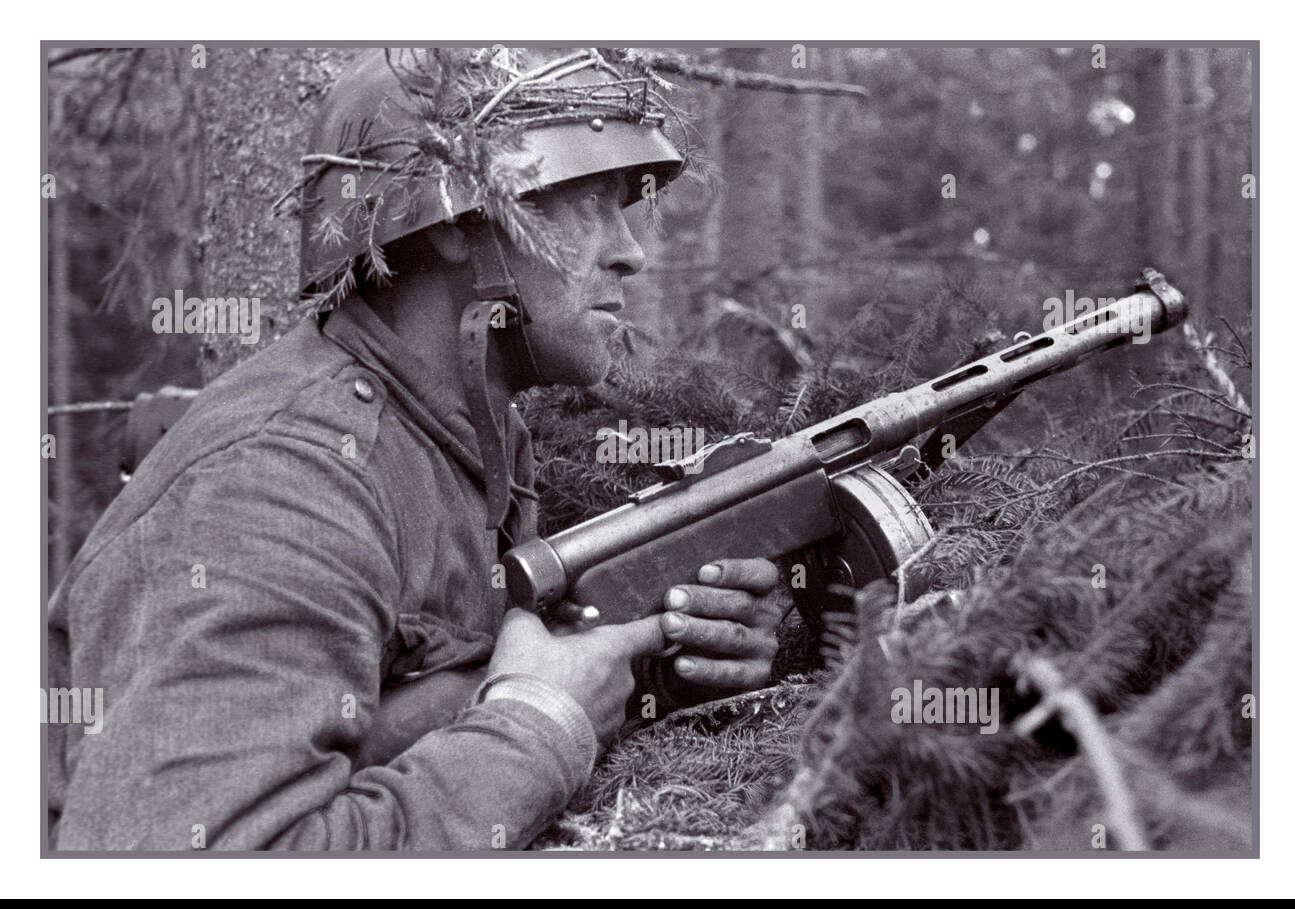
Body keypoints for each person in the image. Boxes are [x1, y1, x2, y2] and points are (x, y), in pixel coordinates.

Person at [46, 47, 783, 850]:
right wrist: (540, 728)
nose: (629, 251)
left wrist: (645, 666)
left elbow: (442, 691)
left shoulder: (459, 428)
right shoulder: (278, 488)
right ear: (463, 226)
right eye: (586, 204)